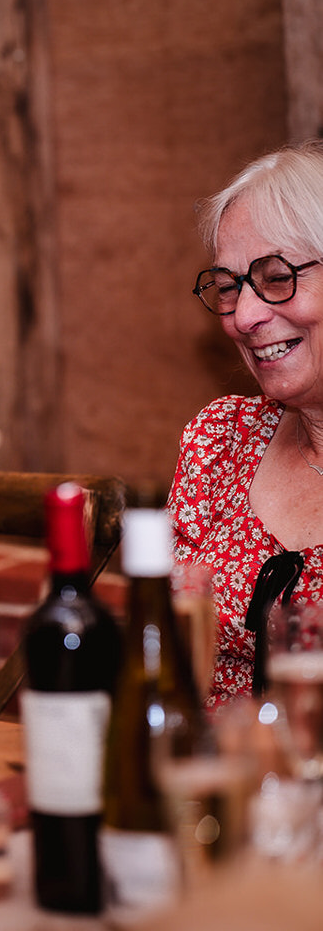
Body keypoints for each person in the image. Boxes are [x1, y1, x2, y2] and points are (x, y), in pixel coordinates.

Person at [171, 139, 323, 704]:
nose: (246, 316)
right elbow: (168, 661)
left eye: (278, 276)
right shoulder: (221, 439)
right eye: (231, 286)